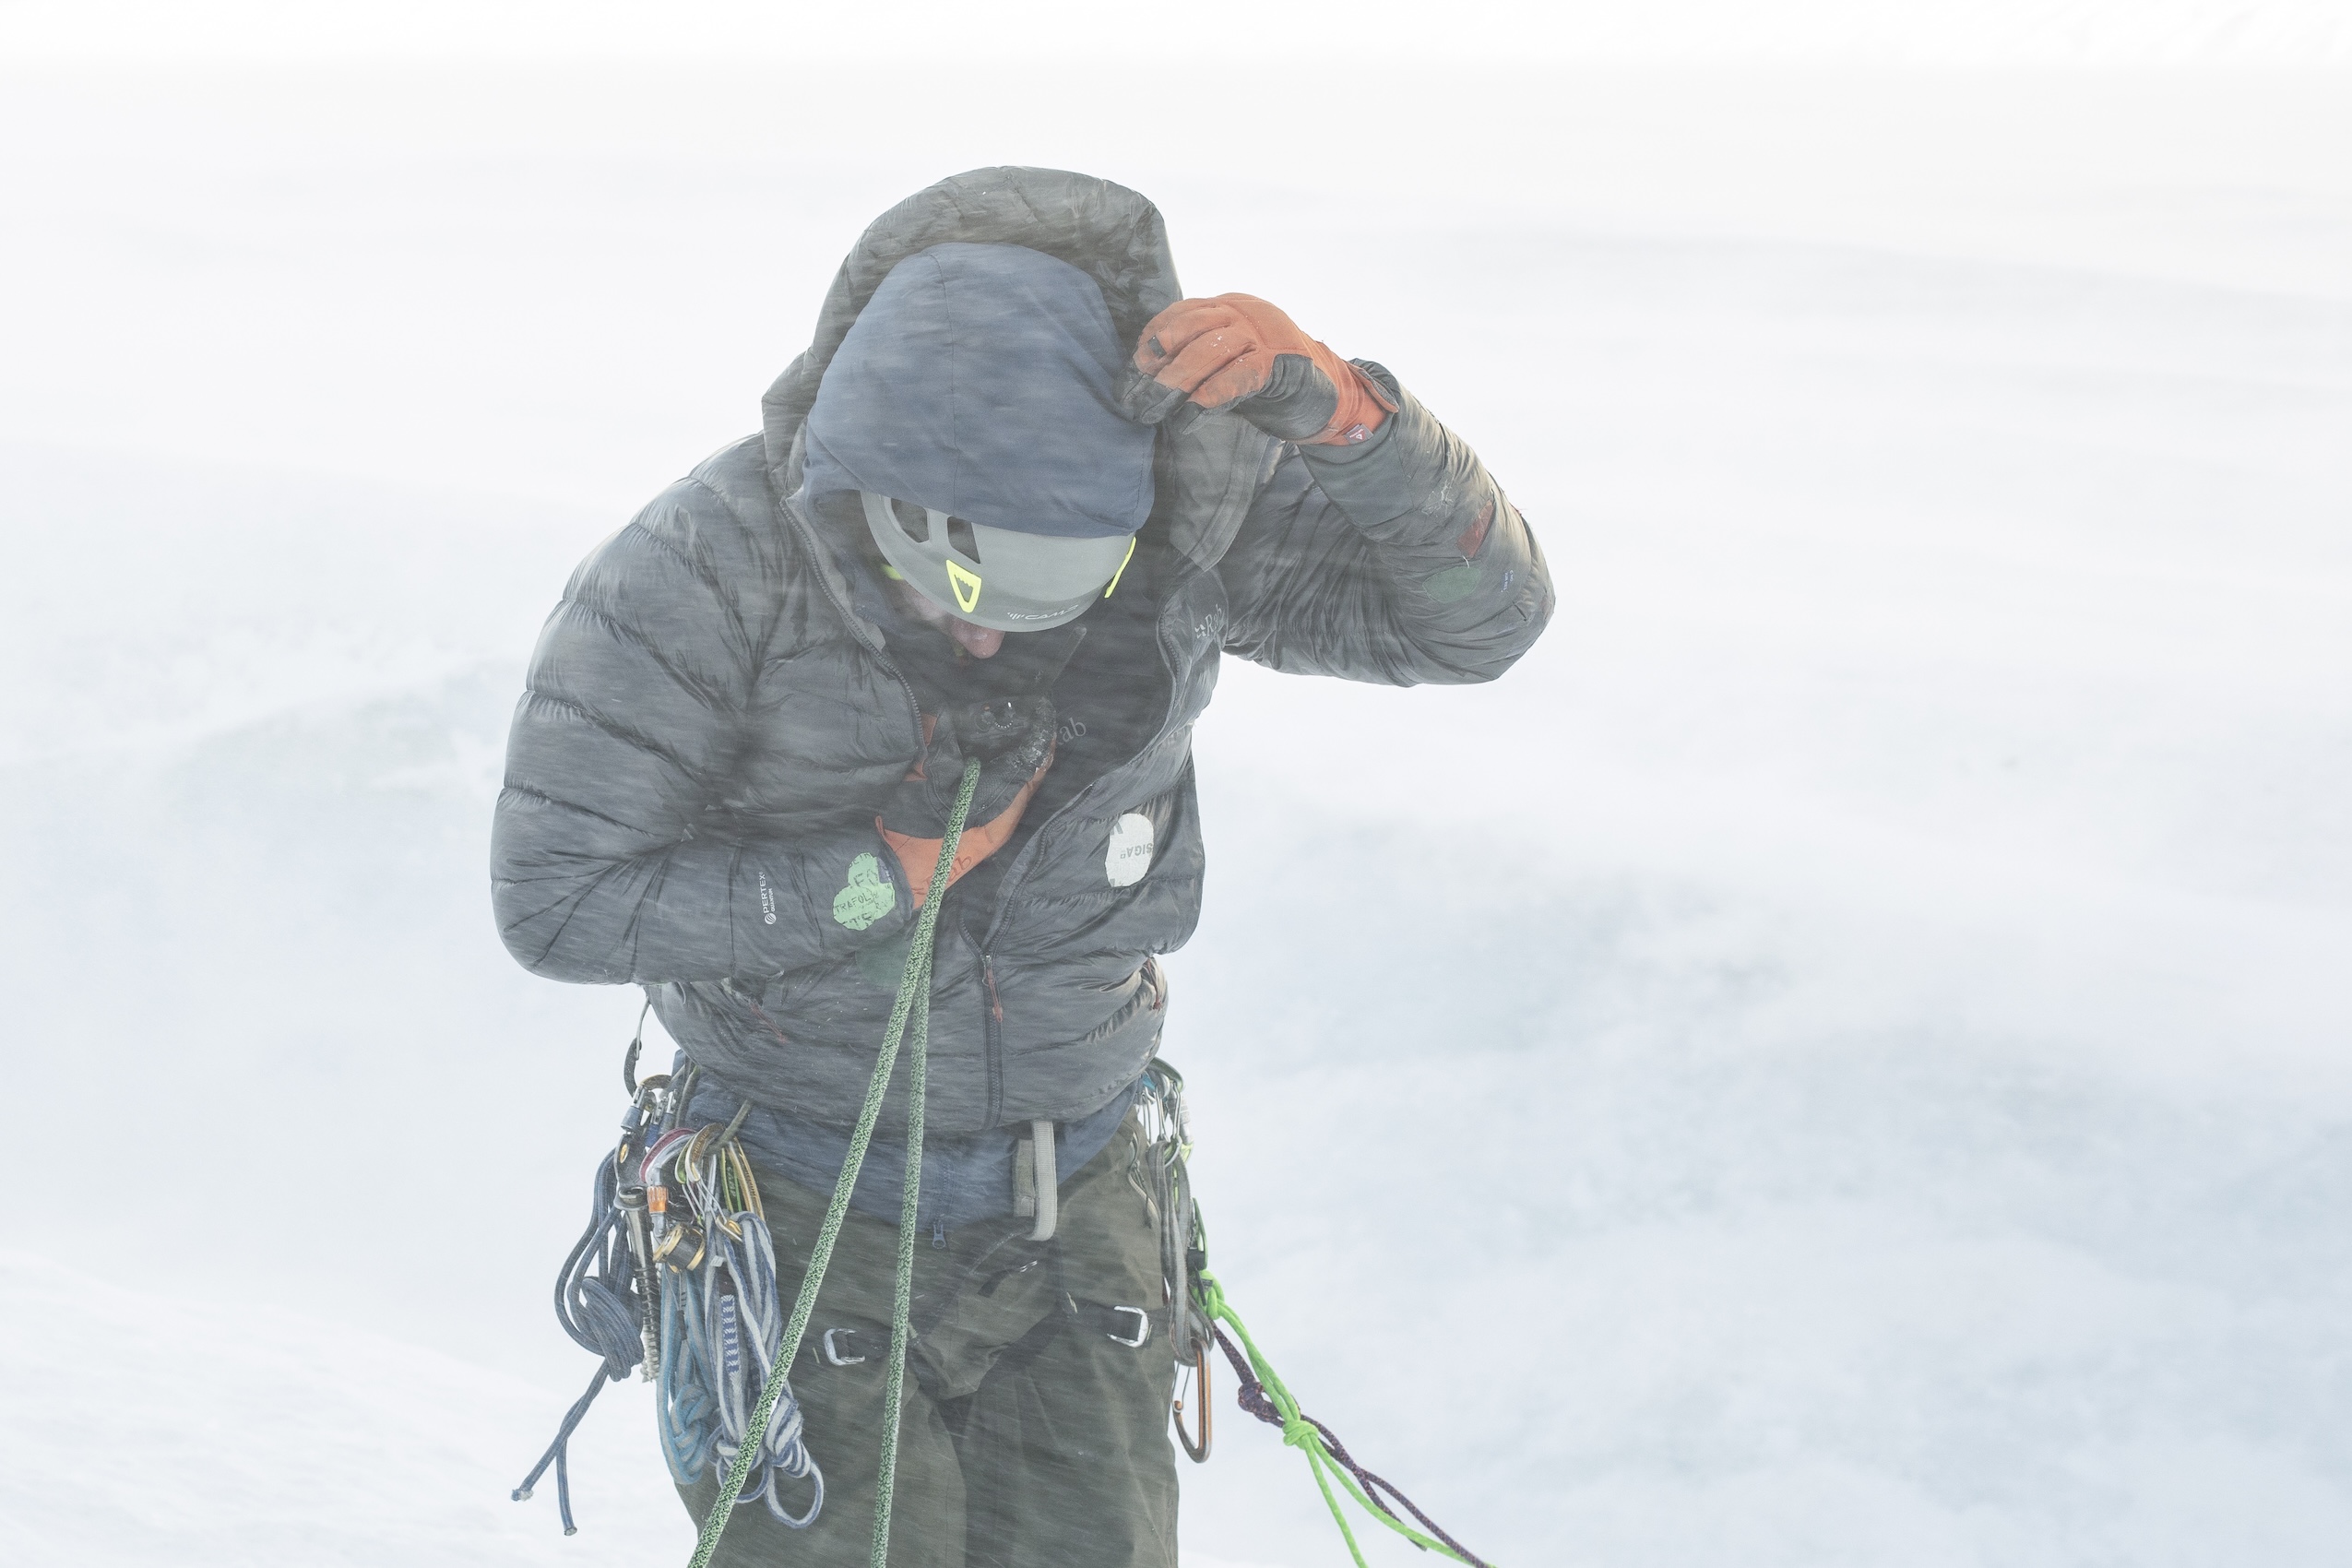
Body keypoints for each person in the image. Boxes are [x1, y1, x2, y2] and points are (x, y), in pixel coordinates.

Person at [492, 167, 1552, 1568]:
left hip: (1085, 1206)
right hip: (799, 1205)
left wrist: (1348, 419)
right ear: (873, 501)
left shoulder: (1185, 506)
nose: (996, 640)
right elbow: (558, 902)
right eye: (965, 586)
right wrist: (878, 878)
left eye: (1064, 582)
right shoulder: (703, 568)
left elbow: (1475, 627)